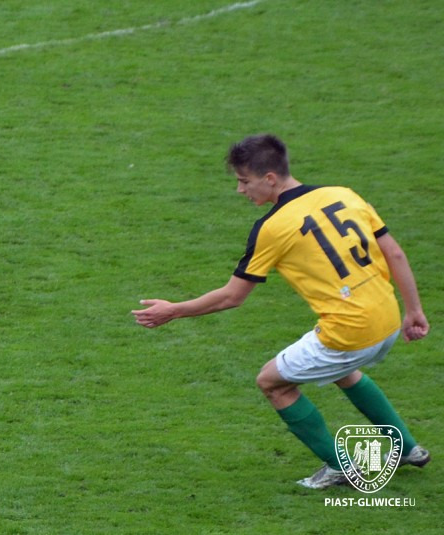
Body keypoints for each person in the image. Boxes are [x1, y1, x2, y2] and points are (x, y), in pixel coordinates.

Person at [132, 134, 430, 489]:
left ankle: (339, 467)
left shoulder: (273, 227)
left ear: (270, 178)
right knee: (342, 370)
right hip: (389, 319)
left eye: (244, 181)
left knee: (272, 382)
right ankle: (408, 448)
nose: (240, 190)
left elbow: (232, 297)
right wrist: (414, 310)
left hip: (349, 332)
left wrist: (173, 311)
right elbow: (395, 253)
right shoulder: (344, 194)